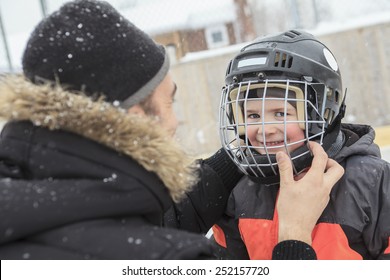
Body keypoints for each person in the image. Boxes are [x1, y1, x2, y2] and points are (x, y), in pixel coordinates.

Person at [0, 1, 341, 259]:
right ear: (136, 118)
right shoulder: (175, 259)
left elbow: (141, 220)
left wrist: (246, 151)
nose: (175, 121)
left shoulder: (28, 201)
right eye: (169, 103)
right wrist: (294, 235)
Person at [214, 29, 390, 260]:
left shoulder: (369, 179)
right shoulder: (240, 189)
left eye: (280, 114)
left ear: (323, 111)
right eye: (253, 116)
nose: (265, 129)